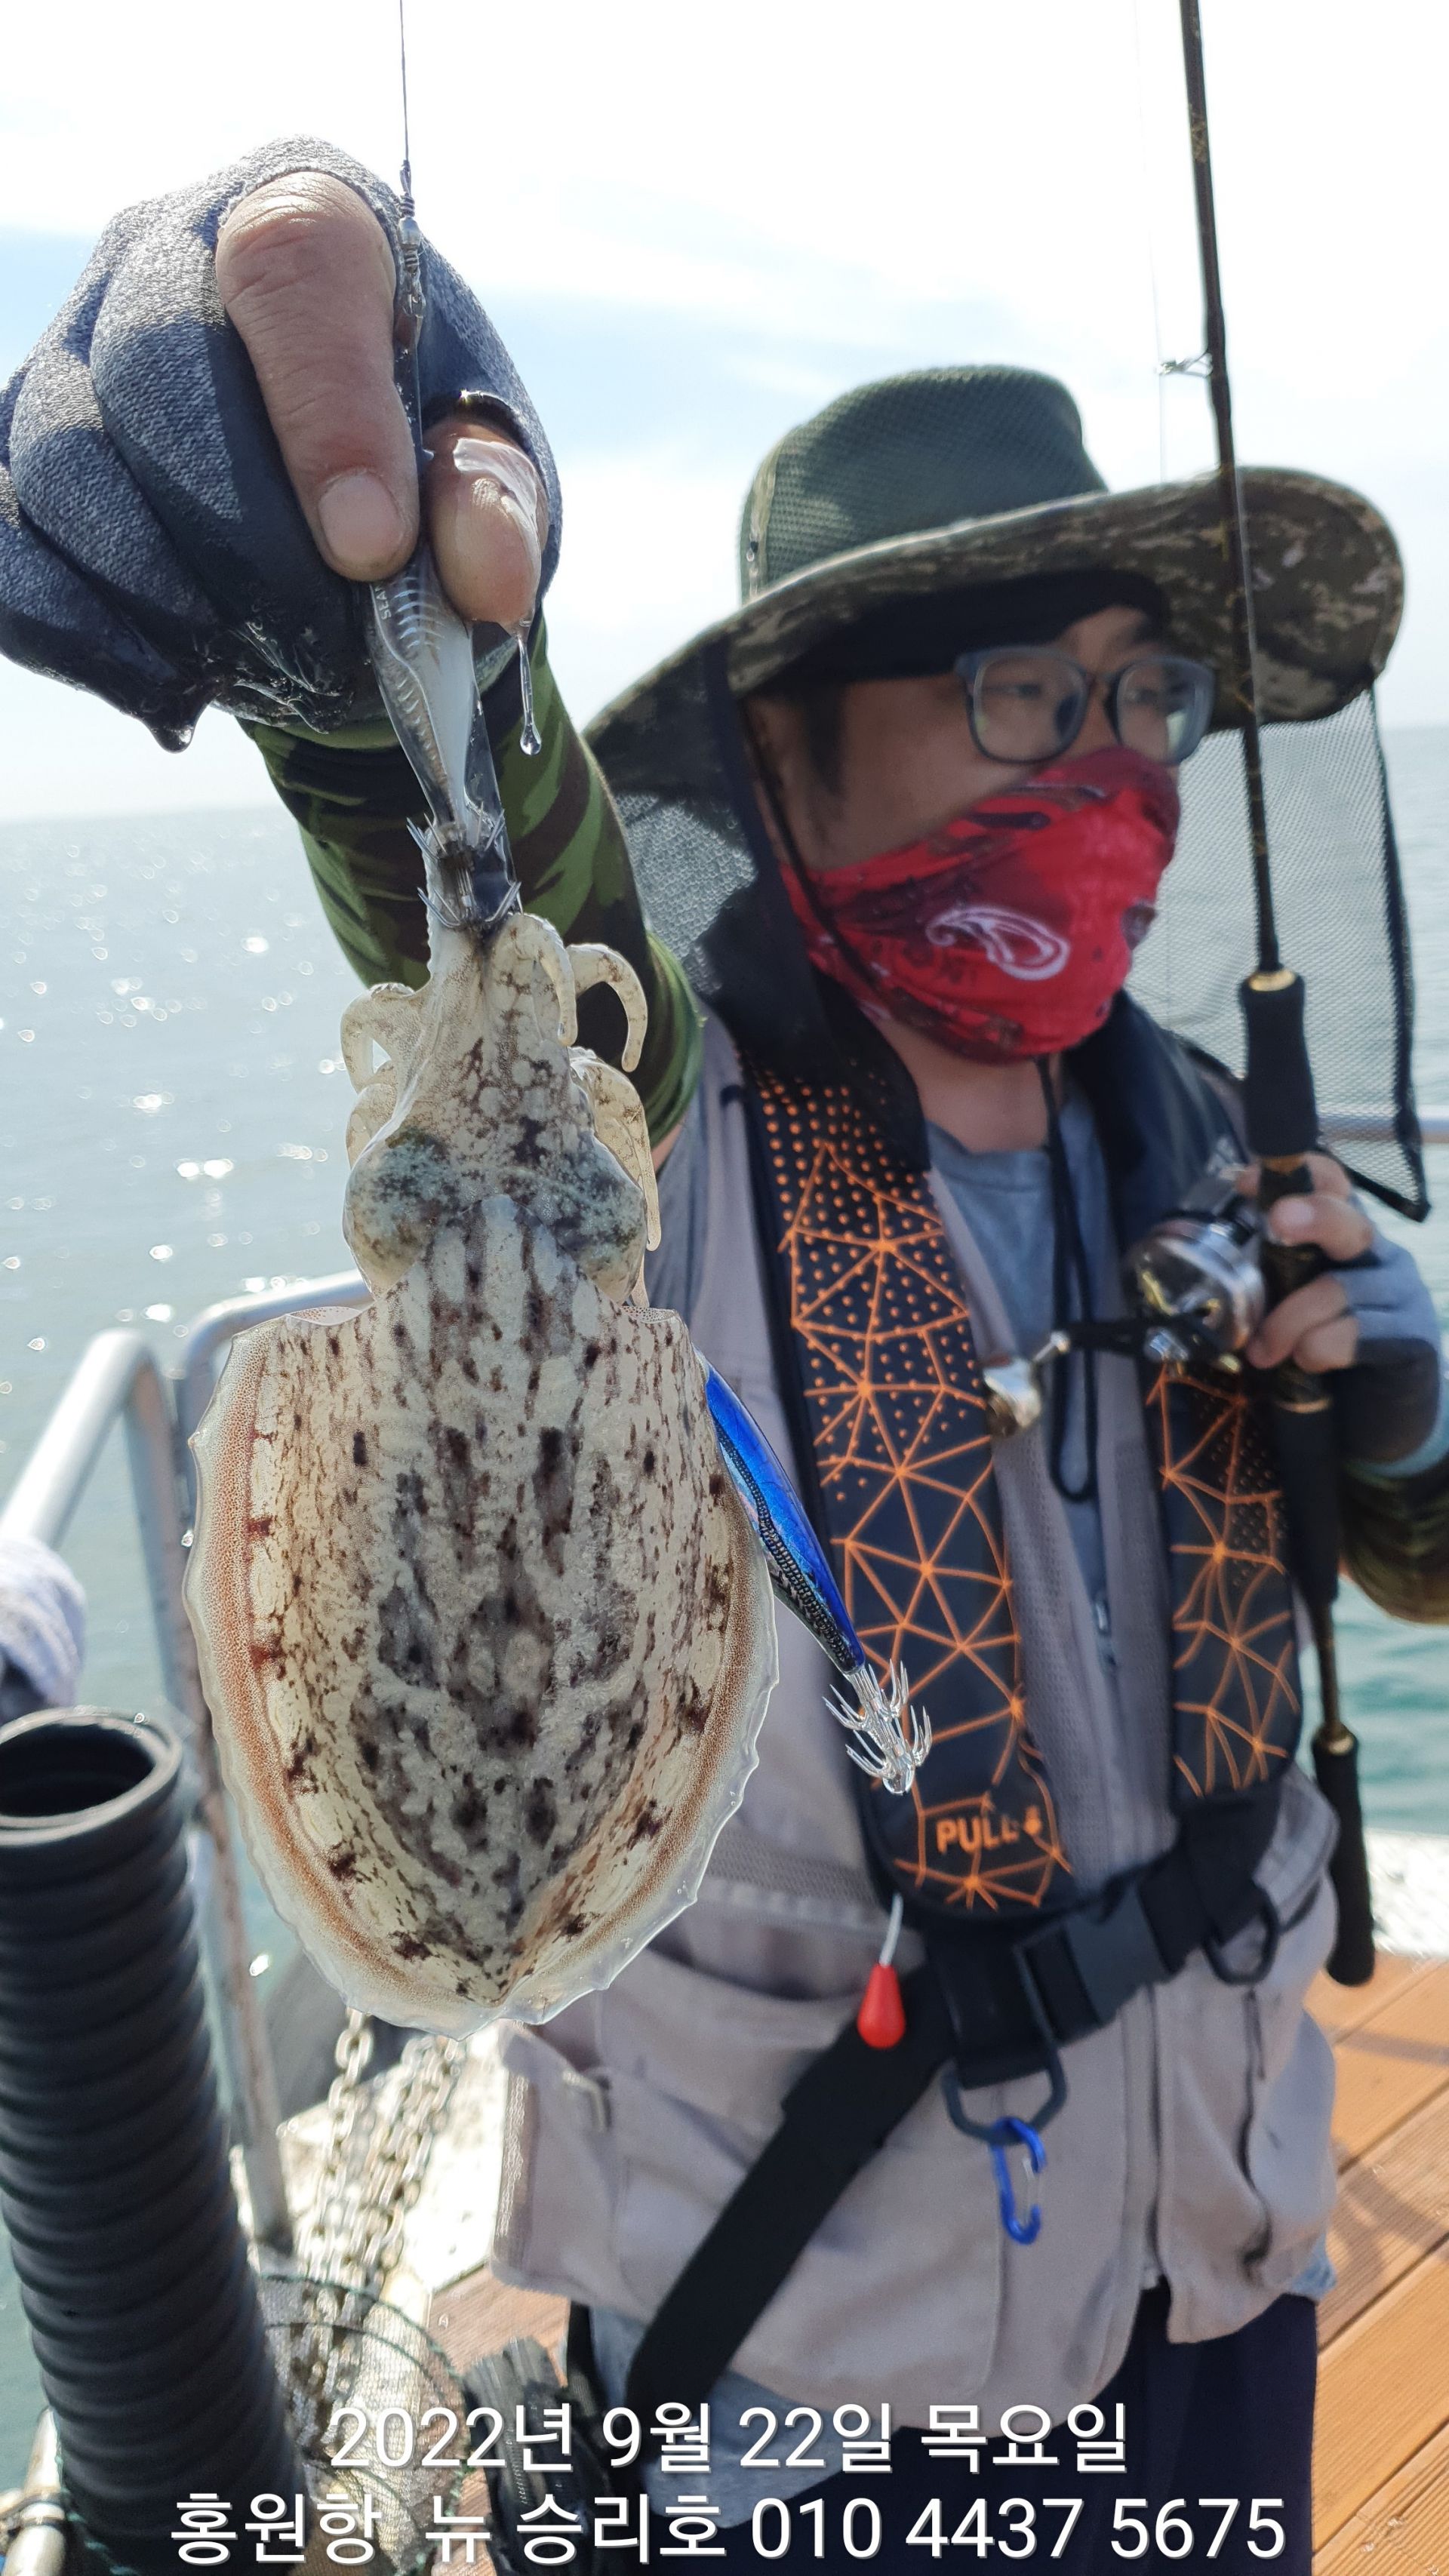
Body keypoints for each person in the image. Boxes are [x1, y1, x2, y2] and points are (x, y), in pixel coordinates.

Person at [5, 148, 1447, 2572]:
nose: (1110, 767)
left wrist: (1407, 1424)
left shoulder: (1201, 1134)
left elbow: (1399, 1567)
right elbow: (494, 909)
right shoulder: (657, 1135)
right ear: (786, 750)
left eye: (1148, 699)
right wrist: (341, 620)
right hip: (811, 2396)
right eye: (1023, 692)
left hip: (1228, 2279)